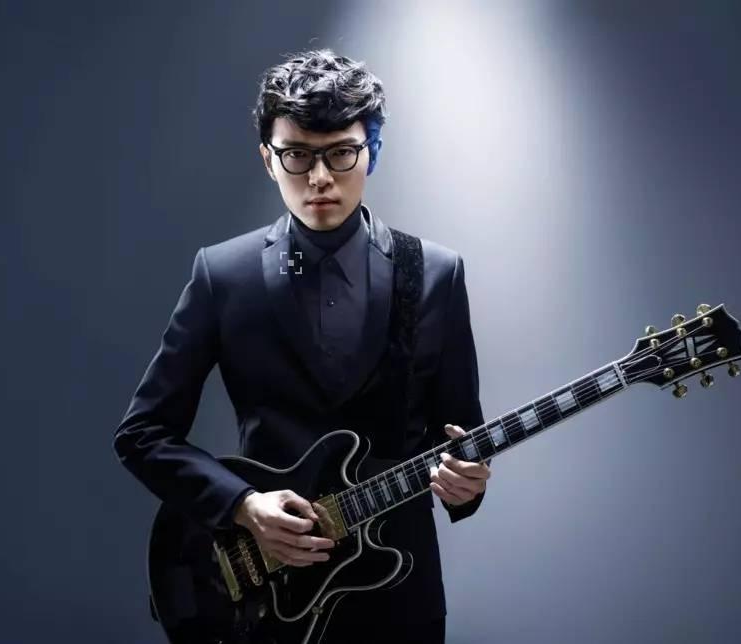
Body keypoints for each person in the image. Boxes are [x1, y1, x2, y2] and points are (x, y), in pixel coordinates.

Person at [114, 48, 490, 644]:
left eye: (341, 153)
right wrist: (242, 505)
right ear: (269, 159)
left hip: (401, 599)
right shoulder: (223, 274)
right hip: (266, 599)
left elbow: (462, 437)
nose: (319, 178)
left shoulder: (437, 274)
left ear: (373, 152)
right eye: (297, 155)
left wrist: (468, 485)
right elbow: (142, 434)